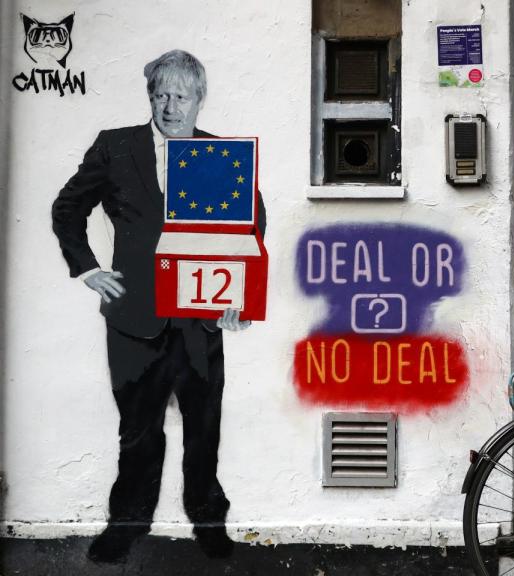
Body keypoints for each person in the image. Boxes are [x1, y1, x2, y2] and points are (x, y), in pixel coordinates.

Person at [51, 49, 266, 563]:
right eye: (162, 95)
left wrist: (237, 296)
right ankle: (126, 525)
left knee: (203, 427)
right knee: (138, 432)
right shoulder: (116, 148)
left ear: (199, 101)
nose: (171, 106)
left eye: (182, 96)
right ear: (151, 96)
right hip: (134, 320)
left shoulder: (220, 155)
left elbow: (251, 225)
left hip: (198, 318)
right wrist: (87, 269)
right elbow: (67, 207)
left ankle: (208, 522)